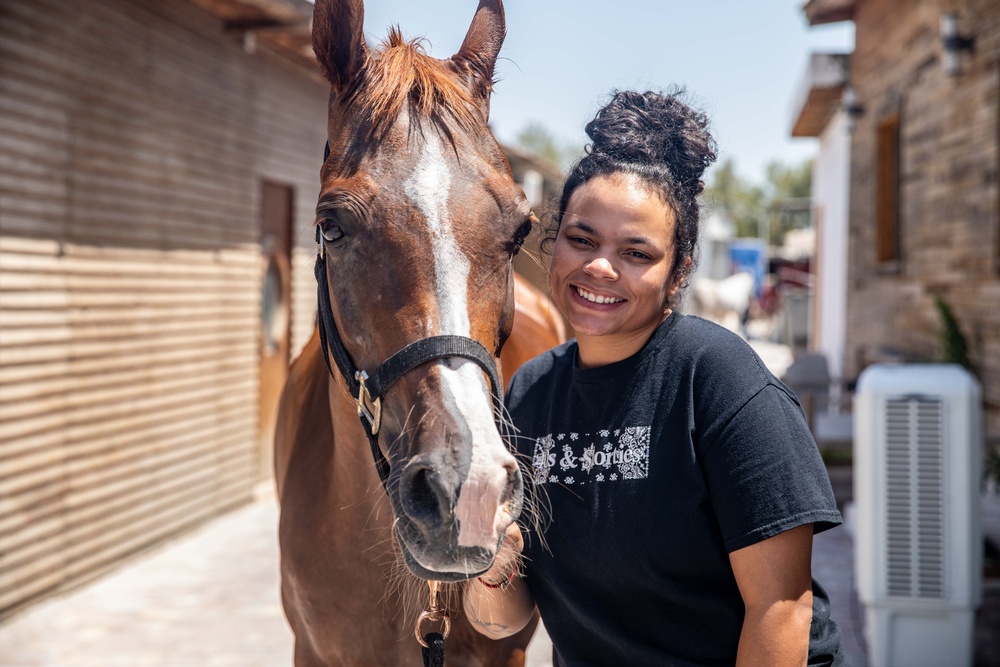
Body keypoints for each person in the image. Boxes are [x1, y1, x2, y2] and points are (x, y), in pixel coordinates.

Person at [463, 89, 847, 666]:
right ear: (554, 240)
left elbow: (782, 609)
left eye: (637, 252)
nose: (599, 266)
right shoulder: (530, 393)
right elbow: (504, 622)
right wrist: (492, 567)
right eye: (581, 238)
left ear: (679, 271)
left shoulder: (718, 382)